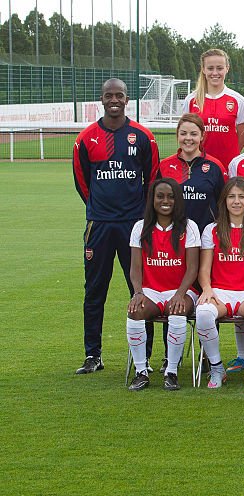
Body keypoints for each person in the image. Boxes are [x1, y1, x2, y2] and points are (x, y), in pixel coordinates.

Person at [73, 78, 159, 374]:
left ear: (127, 99)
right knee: (94, 290)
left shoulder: (143, 137)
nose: (114, 100)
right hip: (99, 226)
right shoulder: (86, 139)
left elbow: (153, 180)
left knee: (140, 290)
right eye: (109, 95)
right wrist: (100, 209)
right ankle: (92, 355)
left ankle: (144, 356)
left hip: (134, 227)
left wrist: (137, 216)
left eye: (119, 95)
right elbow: (82, 183)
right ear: (101, 99)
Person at [195, 178, 244, 390]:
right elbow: (204, 270)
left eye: (241, 197)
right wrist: (207, 289)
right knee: (202, 314)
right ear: (224, 201)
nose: (236, 201)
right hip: (220, 293)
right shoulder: (211, 230)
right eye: (231, 197)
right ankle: (217, 367)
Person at [125, 178, 200, 391]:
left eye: (171, 196)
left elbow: (192, 268)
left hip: (181, 290)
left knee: (178, 310)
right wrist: (138, 292)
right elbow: (135, 268)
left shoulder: (189, 227)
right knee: (135, 311)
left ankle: (171, 372)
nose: (165, 201)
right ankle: (141, 371)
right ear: (152, 200)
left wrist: (179, 294)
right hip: (151, 290)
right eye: (160, 196)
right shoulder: (140, 227)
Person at [184, 48, 244, 170]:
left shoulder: (238, 100)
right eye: (210, 68)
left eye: (219, 68)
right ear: (203, 70)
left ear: (227, 68)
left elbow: (243, 135)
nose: (215, 73)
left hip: (228, 166)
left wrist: (232, 157)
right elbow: (184, 132)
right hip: (198, 165)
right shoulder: (191, 100)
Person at [158, 112, 226, 233]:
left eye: (193, 134)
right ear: (177, 135)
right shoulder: (165, 166)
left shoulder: (215, 166)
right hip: (174, 235)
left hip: (206, 237)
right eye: (183, 133)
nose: (188, 138)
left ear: (202, 136)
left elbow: (224, 203)